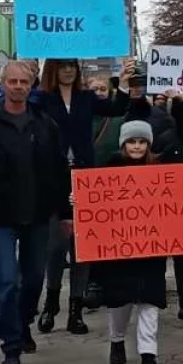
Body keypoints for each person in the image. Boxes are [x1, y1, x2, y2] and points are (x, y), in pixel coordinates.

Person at [0, 61, 72, 364]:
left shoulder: (45, 125)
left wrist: (65, 213)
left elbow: (59, 173)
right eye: (12, 81)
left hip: (39, 214)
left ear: (32, 85)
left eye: (24, 82)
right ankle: (11, 345)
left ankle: (24, 322)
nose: (18, 86)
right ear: (2, 84)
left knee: (34, 278)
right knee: (7, 281)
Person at [37, 59, 132, 337]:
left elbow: (117, 108)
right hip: (54, 178)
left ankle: (76, 308)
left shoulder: (86, 98)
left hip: (84, 177)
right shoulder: (42, 100)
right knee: (56, 246)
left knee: (82, 247)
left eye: (73, 66)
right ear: (53, 70)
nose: (68, 71)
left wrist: (123, 82)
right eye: (64, 66)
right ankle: (51, 302)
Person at [91, 120, 172, 364]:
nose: (137, 146)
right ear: (123, 144)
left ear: (148, 144)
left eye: (141, 142)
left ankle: (149, 354)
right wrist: (79, 200)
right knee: (121, 299)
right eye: (132, 141)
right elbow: (94, 199)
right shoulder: (108, 169)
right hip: (120, 247)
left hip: (151, 246)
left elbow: (175, 197)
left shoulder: (160, 170)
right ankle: (117, 339)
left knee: (150, 299)